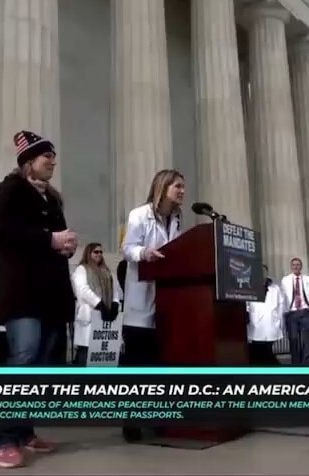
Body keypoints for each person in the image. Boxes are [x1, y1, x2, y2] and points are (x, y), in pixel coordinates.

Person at [0, 130, 77, 468]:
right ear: (28, 163)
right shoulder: (8, 191)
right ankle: (2, 439)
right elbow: (2, 232)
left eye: (53, 156)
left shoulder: (52, 199)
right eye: (45, 157)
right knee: (22, 359)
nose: (52, 161)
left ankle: (24, 432)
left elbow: (53, 239)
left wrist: (65, 245)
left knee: (41, 366)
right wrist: (50, 240)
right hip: (21, 290)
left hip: (50, 292)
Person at [121, 168, 185, 441]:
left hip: (166, 302)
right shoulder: (139, 214)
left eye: (183, 186)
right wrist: (144, 253)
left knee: (160, 364)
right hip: (141, 299)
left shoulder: (178, 220)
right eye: (177, 186)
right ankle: (131, 421)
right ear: (163, 187)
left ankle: (158, 416)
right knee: (138, 364)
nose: (182, 191)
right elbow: (127, 248)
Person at [71, 243, 121, 366]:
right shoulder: (82, 269)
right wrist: (99, 304)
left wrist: (115, 303)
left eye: (100, 252)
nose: (99, 254)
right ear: (89, 253)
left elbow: (115, 290)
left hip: (105, 317)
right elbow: (83, 289)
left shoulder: (106, 271)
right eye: (95, 252)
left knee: (102, 352)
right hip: (89, 315)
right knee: (85, 351)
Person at [280, 257, 309, 365]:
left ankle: (306, 364)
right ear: (291, 267)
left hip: (305, 312)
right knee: (293, 340)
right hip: (291, 312)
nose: (296, 267)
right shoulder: (285, 280)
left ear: (301, 266)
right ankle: (296, 364)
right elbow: (281, 297)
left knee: (306, 340)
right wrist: (283, 310)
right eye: (294, 265)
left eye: (298, 264)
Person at [246, 265, 287, 366]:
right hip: (256, 322)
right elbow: (246, 303)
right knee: (257, 348)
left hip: (270, 322)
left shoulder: (275, 288)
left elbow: (281, 303)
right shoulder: (249, 286)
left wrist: (279, 318)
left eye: (263, 272)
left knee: (265, 347)